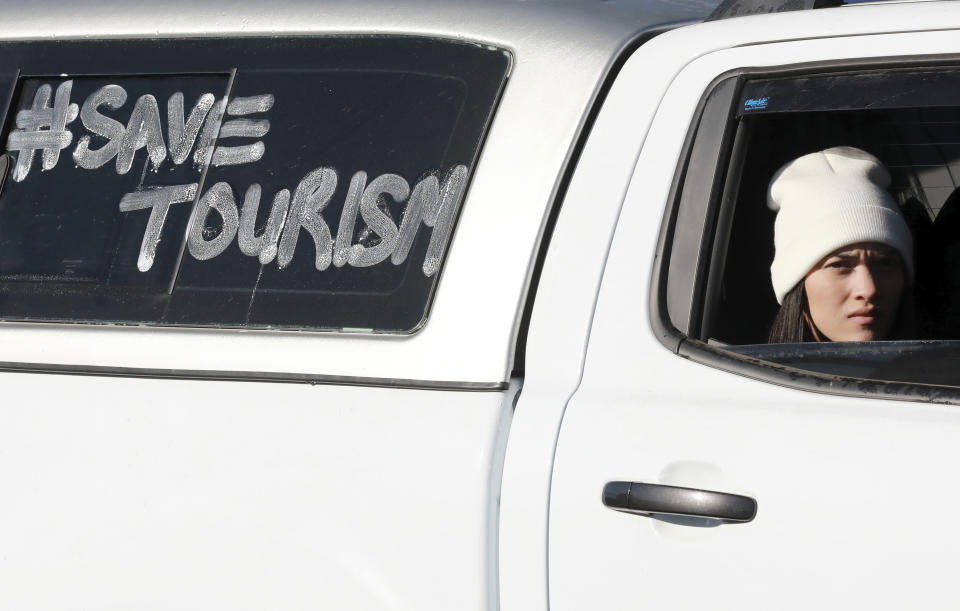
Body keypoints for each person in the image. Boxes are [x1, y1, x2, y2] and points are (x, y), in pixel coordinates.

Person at [766, 146, 915, 343]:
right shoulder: (735, 374)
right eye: (839, 265)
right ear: (795, 284)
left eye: (886, 263)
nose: (868, 289)